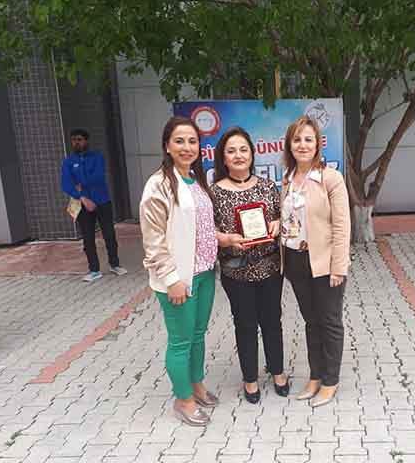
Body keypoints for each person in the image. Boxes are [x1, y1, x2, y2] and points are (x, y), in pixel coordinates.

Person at [139, 116, 219, 426]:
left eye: (192, 141)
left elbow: (200, 227)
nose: (187, 147)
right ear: (167, 146)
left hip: (204, 273)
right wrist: (172, 280)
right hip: (178, 279)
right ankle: (183, 400)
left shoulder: (196, 180)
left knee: (197, 335)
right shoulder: (158, 184)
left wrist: (224, 239)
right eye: (179, 141)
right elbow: (153, 240)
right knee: (181, 341)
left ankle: (196, 385)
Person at [211, 127, 289, 404]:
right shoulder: (215, 192)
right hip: (236, 271)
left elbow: (283, 216)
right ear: (223, 157)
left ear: (252, 154)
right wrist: (226, 239)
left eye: (243, 149)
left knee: (272, 320)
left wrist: (278, 223)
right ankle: (250, 378)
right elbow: (208, 231)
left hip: (269, 267)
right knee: (244, 324)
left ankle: (277, 371)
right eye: (231, 151)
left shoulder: (267, 186)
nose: (238, 155)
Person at [280, 115, 350, 408]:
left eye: (308, 139)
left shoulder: (330, 178)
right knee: (311, 321)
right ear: (289, 145)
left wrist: (339, 267)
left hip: (324, 262)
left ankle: (330, 381)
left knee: (329, 321)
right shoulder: (287, 179)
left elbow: (342, 226)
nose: (303, 145)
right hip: (295, 261)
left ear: (318, 144)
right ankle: (315, 375)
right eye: (297, 139)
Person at [61, 129, 127, 282]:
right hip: (82, 204)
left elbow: (97, 177)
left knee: (109, 234)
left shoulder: (97, 157)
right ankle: (94, 269)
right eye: (73, 140)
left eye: (79, 139)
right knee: (88, 238)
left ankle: (114, 264)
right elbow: (66, 184)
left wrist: (79, 183)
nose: (76, 143)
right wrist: (81, 196)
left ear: (86, 141)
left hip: (102, 201)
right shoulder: (68, 162)